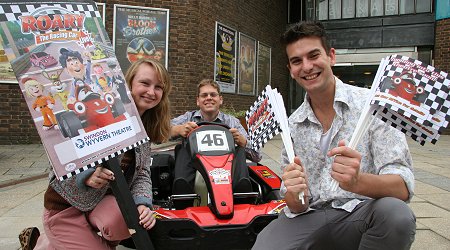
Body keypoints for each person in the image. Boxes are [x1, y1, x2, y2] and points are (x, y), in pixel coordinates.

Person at [252, 21, 416, 250]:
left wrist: (358, 182)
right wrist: (294, 192)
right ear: (290, 70)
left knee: (396, 215)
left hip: (361, 213)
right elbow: (296, 205)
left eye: (313, 55)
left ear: (331, 56)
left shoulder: (373, 107)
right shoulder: (293, 124)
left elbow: (402, 186)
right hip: (309, 216)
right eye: (297, 61)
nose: (307, 66)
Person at [20, 58, 172, 250]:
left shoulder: (143, 127)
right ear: (128, 83)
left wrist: (143, 203)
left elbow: (141, 173)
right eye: (145, 83)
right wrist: (86, 175)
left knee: (127, 220)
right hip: (66, 208)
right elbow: (59, 162)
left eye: (158, 87)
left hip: (101, 203)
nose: (151, 92)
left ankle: (47, 244)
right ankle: (46, 242)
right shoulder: (101, 115)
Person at [170, 79, 261, 203]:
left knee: (240, 149)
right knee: (181, 147)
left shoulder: (231, 122)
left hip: (226, 167)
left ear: (220, 99)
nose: (209, 98)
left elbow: (257, 156)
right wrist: (178, 129)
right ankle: (182, 192)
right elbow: (160, 133)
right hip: (195, 165)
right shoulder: (188, 118)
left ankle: (242, 192)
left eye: (213, 95)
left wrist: (243, 142)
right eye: (204, 95)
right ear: (198, 101)